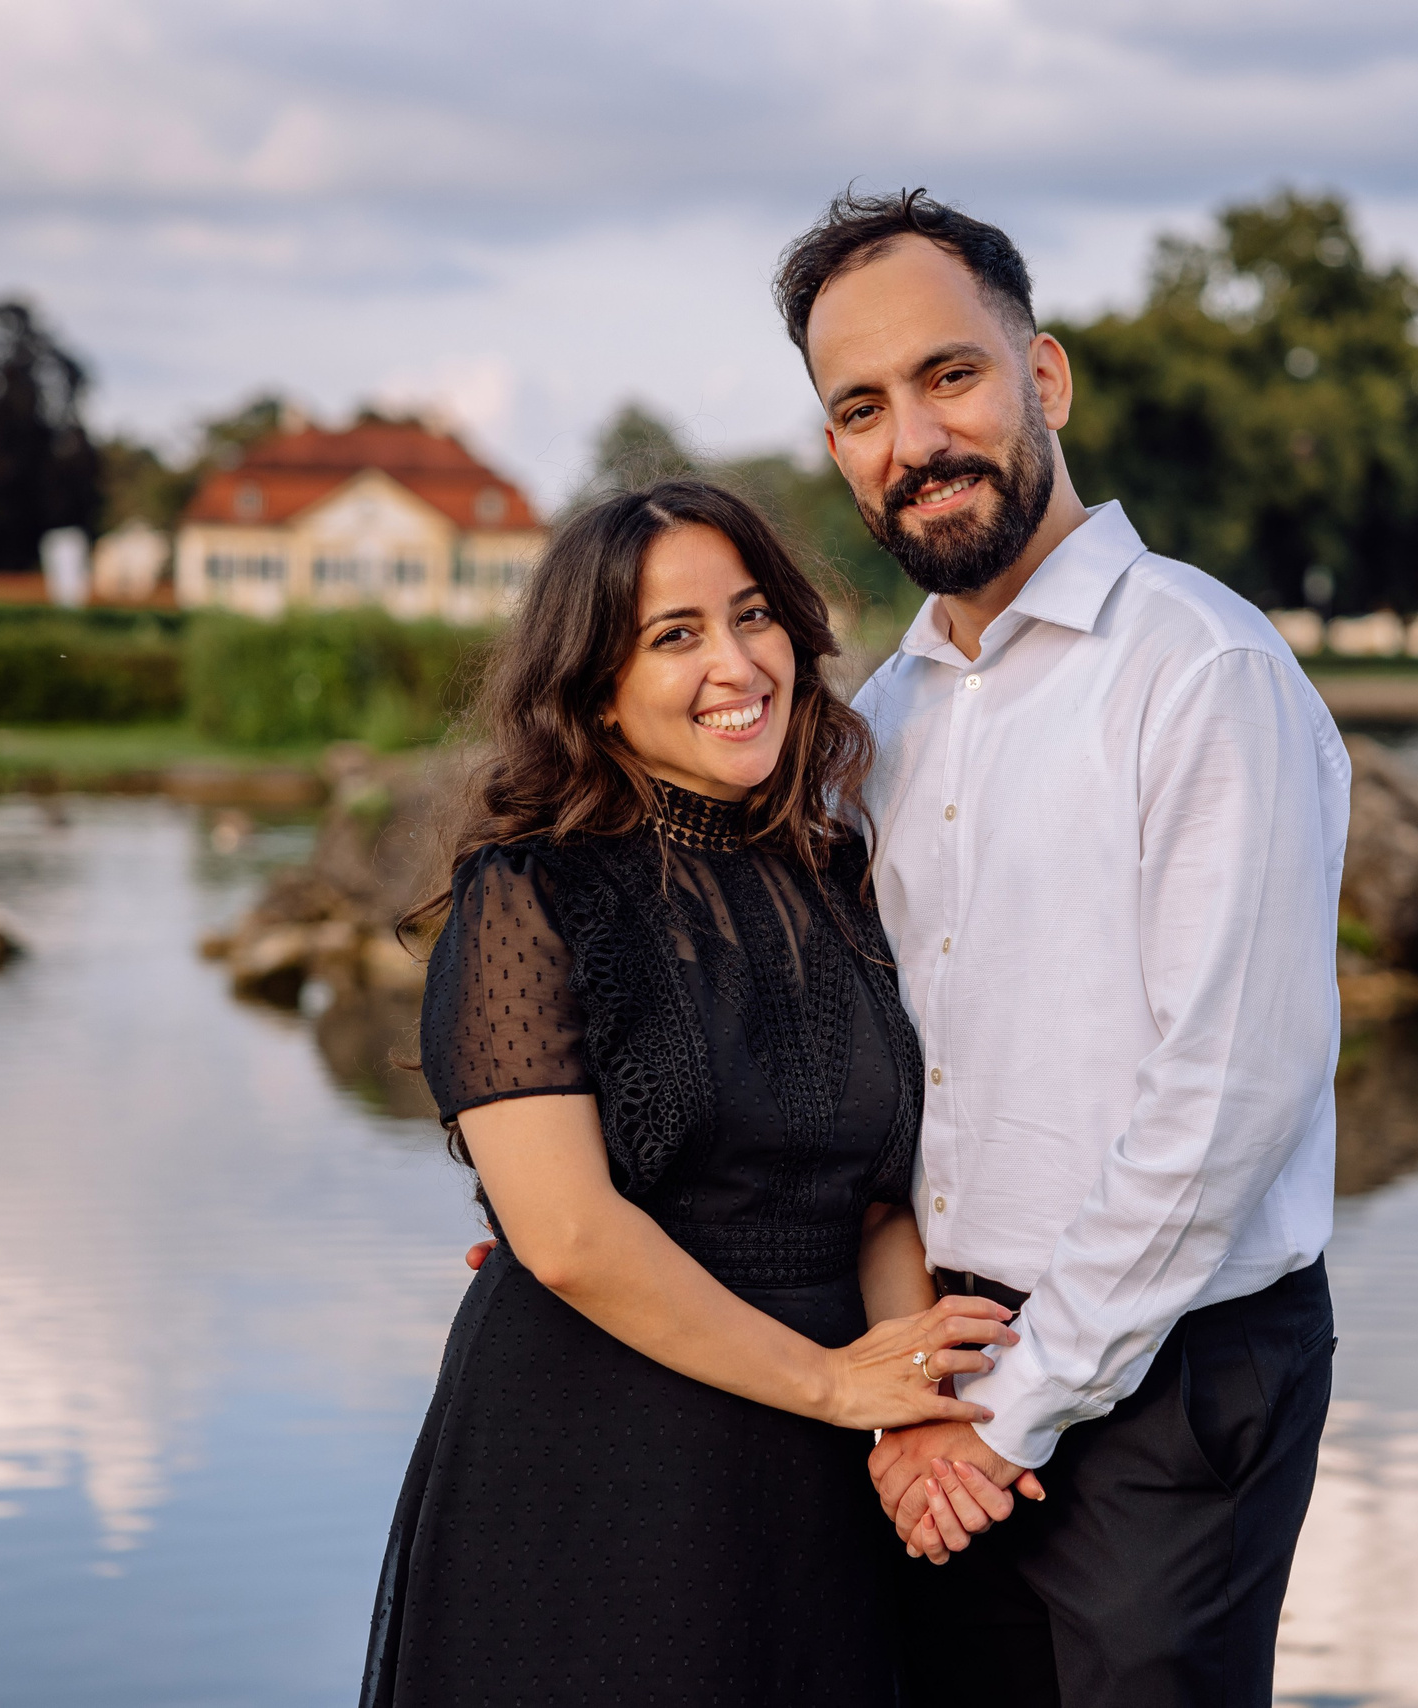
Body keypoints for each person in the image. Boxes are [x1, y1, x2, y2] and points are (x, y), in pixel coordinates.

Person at [774, 188, 1352, 1706]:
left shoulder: (1201, 668)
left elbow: (1232, 1086)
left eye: (948, 377)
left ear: (1045, 379)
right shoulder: (875, 728)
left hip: (1168, 1383)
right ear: (837, 449)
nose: (913, 440)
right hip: (930, 1348)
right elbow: (824, 1059)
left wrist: (1007, 1408)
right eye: (861, 408)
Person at [358, 478, 1021, 1708]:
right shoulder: (531, 896)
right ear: (593, 686)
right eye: (675, 636)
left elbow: (875, 1196)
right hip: (599, 1456)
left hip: (814, 1480)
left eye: (753, 615)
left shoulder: (838, 876)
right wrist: (838, 1386)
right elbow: (563, 1236)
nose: (736, 662)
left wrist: (915, 1394)